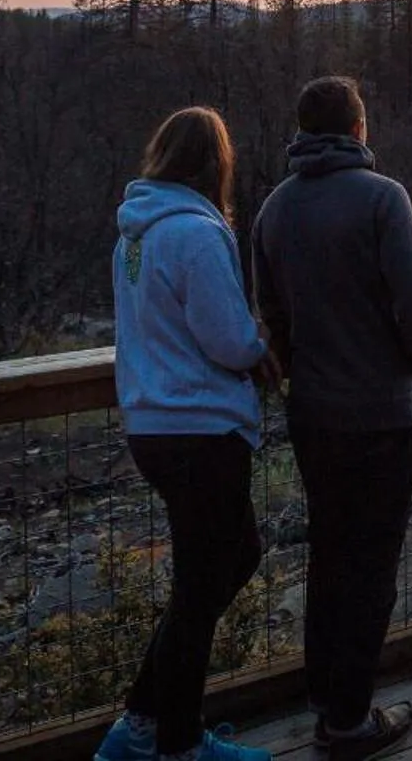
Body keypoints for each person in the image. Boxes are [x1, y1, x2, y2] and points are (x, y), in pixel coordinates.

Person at [250, 76, 412, 761]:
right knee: (374, 563)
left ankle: (326, 699)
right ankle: (352, 720)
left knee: (329, 554)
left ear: (302, 134)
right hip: (381, 413)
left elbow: (271, 316)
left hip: (313, 415)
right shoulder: (384, 199)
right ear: (359, 129)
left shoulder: (274, 210)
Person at [99, 107, 279, 761]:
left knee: (229, 561)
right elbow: (226, 338)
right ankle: (176, 743)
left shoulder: (135, 236)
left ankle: (141, 725)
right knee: (202, 588)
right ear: (215, 163)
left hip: (152, 424)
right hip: (200, 428)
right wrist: (262, 343)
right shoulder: (197, 235)